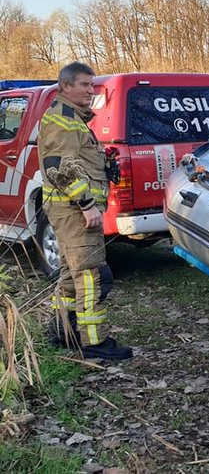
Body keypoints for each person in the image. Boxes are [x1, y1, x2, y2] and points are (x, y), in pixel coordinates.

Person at [39, 61, 133, 360]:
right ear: (65, 86)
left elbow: (73, 160)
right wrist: (87, 205)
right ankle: (95, 343)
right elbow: (58, 168)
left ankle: (63, 333)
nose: (90, 91)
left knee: (71, 274)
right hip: (74, 210)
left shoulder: (73, 119)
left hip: (68, 209)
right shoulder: (63, 119)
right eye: (84, 85)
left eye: (92, 86)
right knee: (93, 275)